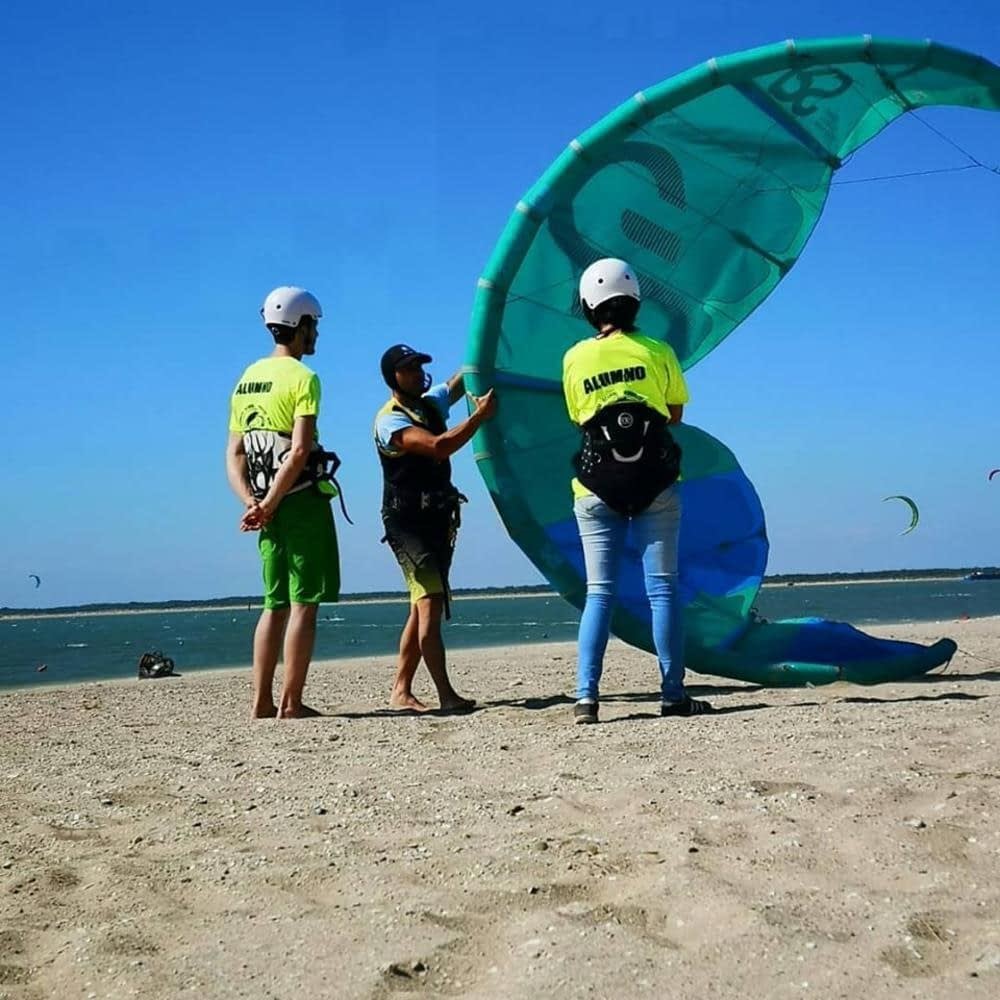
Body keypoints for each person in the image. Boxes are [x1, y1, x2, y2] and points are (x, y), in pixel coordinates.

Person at [562, 258, 713, 724]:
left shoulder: (574, 357)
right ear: (635, 302)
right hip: (657, 484)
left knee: (600, 593)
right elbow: (674, 415)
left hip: (594, 487)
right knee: (662, 591)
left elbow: (578, 416)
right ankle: (672, 695)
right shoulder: (657, 350)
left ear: (589, 307)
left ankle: (586, 699)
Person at [226, 286, 341, 719]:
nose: (315, 335)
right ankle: (291, 702)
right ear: (302, 326)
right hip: (299, 502)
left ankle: (260, 701)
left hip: (262, 507)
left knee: (272, 604)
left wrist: (252, 503)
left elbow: (234, 453)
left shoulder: (246, 378)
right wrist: (273, 501)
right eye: (314, 326)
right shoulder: (303, 378)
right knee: (302, 604)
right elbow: (298, 450)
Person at [374, 344, 496, 712]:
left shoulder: (428, 404)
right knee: (429, 603)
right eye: (408, 368)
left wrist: (484, 356)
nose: (416, 373)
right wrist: (478, 419)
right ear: (392, 377)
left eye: (418, 367)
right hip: (407, 525)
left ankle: (401, 690)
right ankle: (446, 694)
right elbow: (438, 446)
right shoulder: (390, 420)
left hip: (437, 520)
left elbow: (456, 384)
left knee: (419, 607)